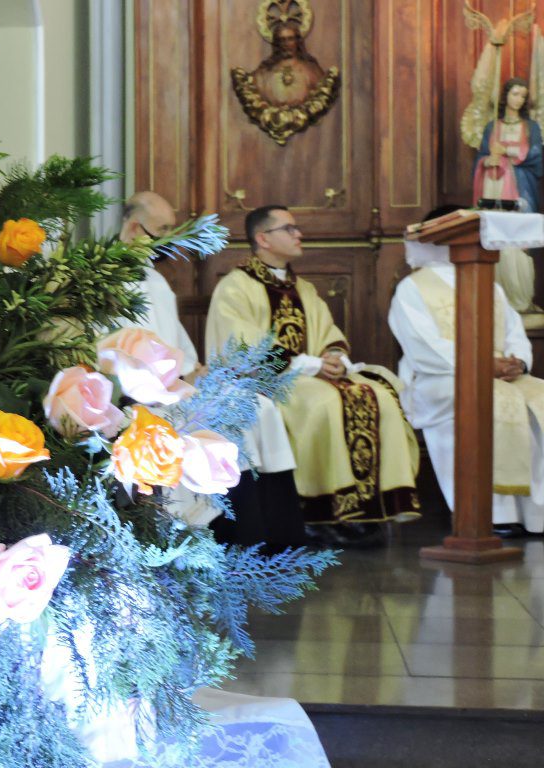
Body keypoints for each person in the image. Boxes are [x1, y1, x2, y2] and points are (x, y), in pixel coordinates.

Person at [205, 205, 421, 546]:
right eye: (289, 229)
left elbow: (328, 332)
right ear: (262, 238)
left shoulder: (302, 288)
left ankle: (371, 509)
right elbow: (242, 346)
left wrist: (334, 357)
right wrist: (308, 366)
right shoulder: (236, 287)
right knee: (322, 403)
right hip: (264, 383)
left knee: (378, 393)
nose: (298, 234)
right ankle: (319, 514)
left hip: (309, 376)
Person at [120, 192, 305, 552]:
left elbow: (180, 351)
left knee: (258, 407)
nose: (170, 239)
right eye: (162, 230)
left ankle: (279, 535)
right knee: (222, 420)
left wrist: (193, 371)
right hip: (139, 397)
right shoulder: (108, 284)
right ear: (132, 228)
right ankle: (234, 536)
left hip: (173, 387)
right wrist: (175, 379)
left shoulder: (156, 283)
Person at [389, 206, 544, 536]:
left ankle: (535, 514)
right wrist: (479, 364)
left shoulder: (491, 283)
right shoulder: (413, 288)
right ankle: (490, 514)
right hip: (441, 377)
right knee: (488, 400)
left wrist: (519, 362)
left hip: (501, 373)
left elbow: (514, 331)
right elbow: (422, 346)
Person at [473, 77, 543, 213]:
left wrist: (507, 150)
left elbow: (536, 154)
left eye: (523, 96)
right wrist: (487, 161)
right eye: (515, 94)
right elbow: (481, 156)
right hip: (494, 184)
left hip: (520, 185)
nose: (519, 100)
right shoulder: (491, 127)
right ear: (506, 95)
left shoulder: (531, 127)